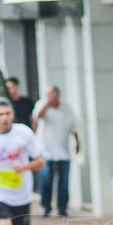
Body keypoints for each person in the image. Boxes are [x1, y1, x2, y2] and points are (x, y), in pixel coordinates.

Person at [32, 86, 80, 218]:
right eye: (48, 95)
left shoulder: (66, 109)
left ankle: (62, 208)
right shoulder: (42, 105)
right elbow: (37, 117)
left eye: (52, 95)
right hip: (46, 150)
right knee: (46, 179)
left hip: (63, 151)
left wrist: (77, 144)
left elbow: (73, 128)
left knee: (63, 182)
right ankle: (46, 206)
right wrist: (47, 104)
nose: (50, 97)